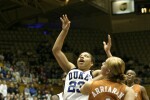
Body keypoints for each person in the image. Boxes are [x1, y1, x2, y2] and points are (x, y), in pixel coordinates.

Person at [52, 14, 112, 100]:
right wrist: (64, 31)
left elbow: (113, 69)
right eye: (80, 56)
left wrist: (108, 52)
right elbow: (56, 50)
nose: (82, 57)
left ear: (91, 63)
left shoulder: (94, 73)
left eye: (86, 56)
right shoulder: (71, 68)